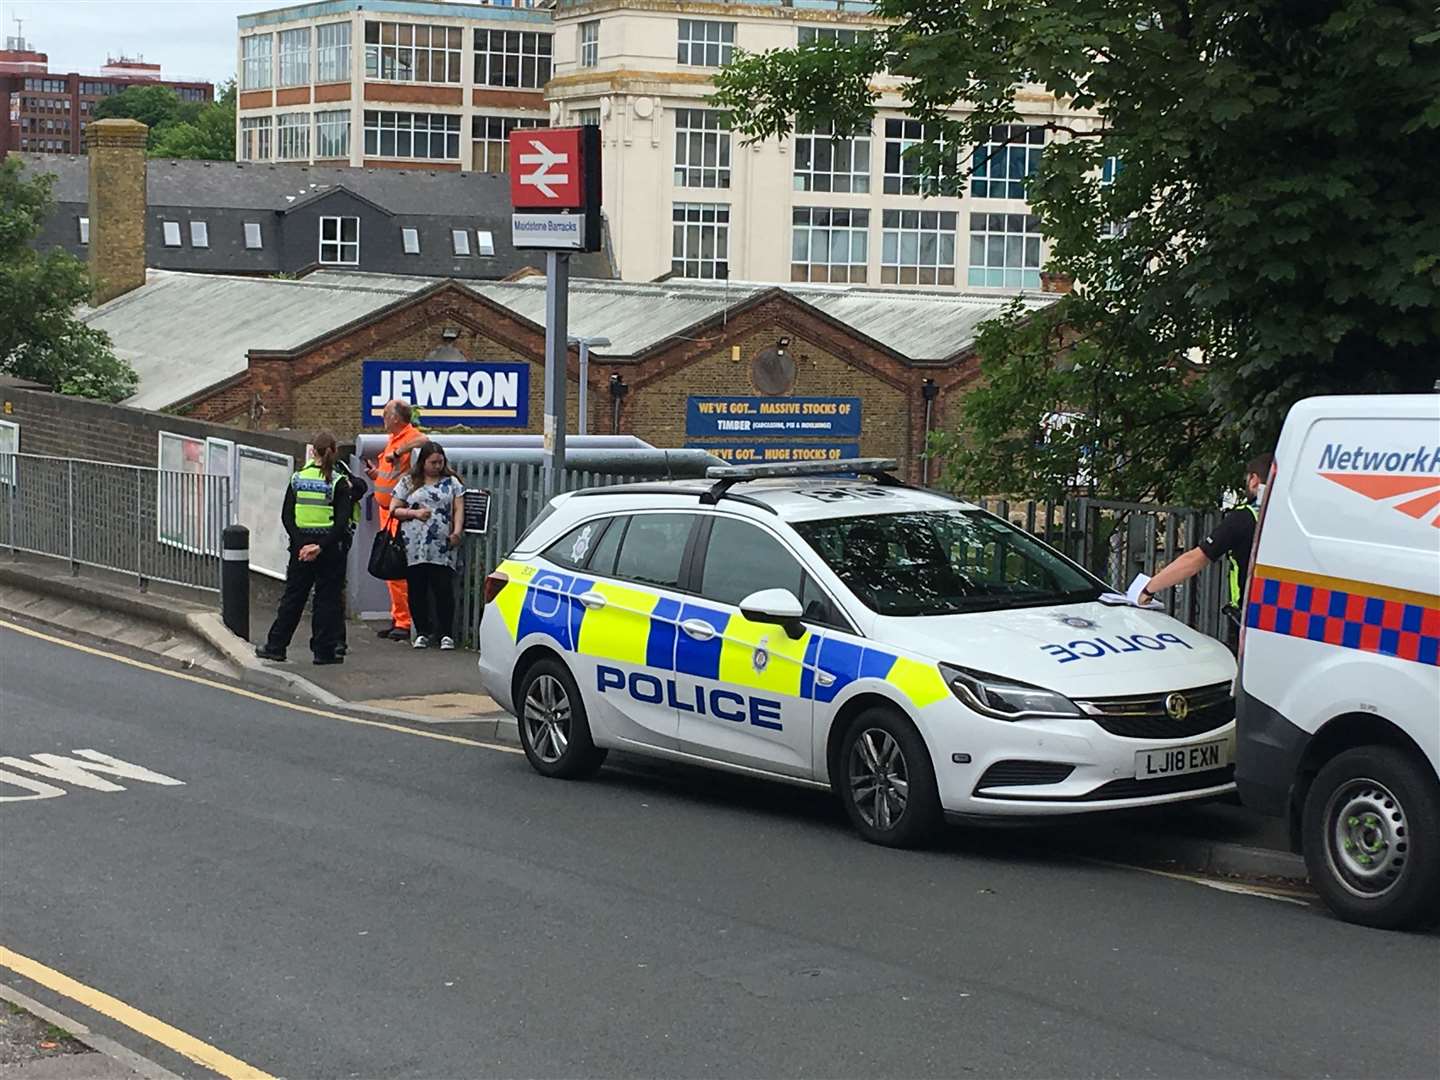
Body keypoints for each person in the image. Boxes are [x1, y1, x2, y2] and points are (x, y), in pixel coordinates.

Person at [256, 431, 357, 666]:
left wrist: (303, 544)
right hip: (329, 548)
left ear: (313, 452)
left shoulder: (298, 479)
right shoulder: (338, 482)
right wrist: (320, 547)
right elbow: (341, 521)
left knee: (293, 598)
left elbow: (287, 516)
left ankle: (276, 647)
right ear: (334, 451)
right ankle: (323, 652)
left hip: (301, 547)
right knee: (327, 600)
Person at [1140, 452, 1274, 625]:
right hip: (1286, 613)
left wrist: (1148, 589)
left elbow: (1195, 559)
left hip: (1254, 616)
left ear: (1254, 480)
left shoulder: (1245, 517)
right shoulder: (1291, 516)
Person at [388, 441, 465, 650]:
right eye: (433, 462)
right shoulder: (409, 482)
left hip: (441, 544)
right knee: (417, 589)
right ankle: (422, 631)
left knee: (443, 589)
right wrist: (414, 513)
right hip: (414, 544)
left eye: (440, 462)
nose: (437, 466)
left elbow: (458, 508)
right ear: (423, 462)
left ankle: (445, 633)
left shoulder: (452, 483)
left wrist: (456, 531)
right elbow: (394, 509)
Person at [366, 399, 426, 641]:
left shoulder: (409, 439)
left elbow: (425, 441)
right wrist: (375, 475)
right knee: (391, 569)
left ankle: (404, 621)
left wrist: (399, 452)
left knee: (398, 569)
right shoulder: (393, 440)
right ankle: (398, 618)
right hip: (388, 513)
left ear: (397, 418)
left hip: (399, 513)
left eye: (385, 415)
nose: (383, 418)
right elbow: (390, 476)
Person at [330, 457, 367, 659]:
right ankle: (334, 642)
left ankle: (335, 642)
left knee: (331, 594)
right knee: (331, 594)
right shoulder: (310, 476)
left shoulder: (339, 470)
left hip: (334, 541)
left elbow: (360, 486)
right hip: (329, 540)